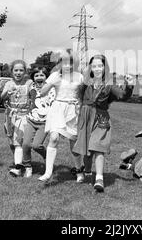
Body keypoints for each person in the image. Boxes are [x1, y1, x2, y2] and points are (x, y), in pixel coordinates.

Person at [72, 54, 134, 192]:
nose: (97, 68)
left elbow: (123, 96)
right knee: (87, 151)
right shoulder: (85, 83)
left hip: (101, 118)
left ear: (105, 67)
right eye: (94, 66)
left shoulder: (109, 85)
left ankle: (99, 178)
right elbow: (79, 100)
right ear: (90, 68)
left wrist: (129, 86)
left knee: (98, 147)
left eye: (100, 66)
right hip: (86, 117)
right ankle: (87, 169)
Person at [38, 49, 84, 182]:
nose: (68, 66)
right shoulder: (55, 76)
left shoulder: (79, 77)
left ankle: (79, 170)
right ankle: (48, 173)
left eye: (70, 63)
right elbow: (42, 92)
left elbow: (83, 95)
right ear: (59, 64)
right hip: (58, 109)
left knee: (74, 144)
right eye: (64, 63)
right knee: (54, 138)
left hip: (73, 110)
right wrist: (51, 83)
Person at [22, 66, 56, 178]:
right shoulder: (31, 87)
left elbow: (54, 104)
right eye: (36, 75)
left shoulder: (51, 89)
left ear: (46, 77)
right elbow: (28, 99)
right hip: (31, 120)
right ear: (33, 78)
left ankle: (48, 157)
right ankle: (27, 166)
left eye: (42, 75)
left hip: (44, 122)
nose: (39, 77)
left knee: (37, 146)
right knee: (26, 144)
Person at [1, 59, 33, 177]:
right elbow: (2, 97)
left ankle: (22, 167)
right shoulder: (9, 83)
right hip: (10, 116)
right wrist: (7, 93)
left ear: (25, 71)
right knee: (12, 142)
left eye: (21, 70)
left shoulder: (29, 83)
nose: (18, 72)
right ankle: (19, 162)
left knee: (19, 141)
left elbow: (35, 95)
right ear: (12, 71)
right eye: (16, 70)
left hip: (24, 115)